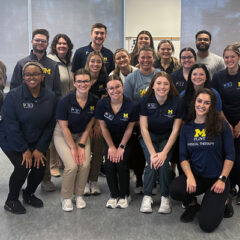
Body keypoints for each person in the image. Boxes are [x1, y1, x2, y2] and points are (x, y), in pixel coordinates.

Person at [170, 88, 234, 233]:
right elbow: (183, 157)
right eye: (199, 101)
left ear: (212, 106)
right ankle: (193, 205)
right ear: (194, 103)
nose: (202, 105)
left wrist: (222, 179)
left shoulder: (221, 125)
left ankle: (225, 200)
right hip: (197, 177)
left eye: (207, 103)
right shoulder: (187, 127)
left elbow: (230, 155)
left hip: (217, 179)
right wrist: (190, 177)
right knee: (175, 189)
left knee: (207, 224)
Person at [0, 61, 57, 214]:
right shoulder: (12, 96)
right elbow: (11, 126)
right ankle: (11, 200)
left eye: (35, 74)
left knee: (40, 166)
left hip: (36, 139)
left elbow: (50, 125)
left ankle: (29, 194)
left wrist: (39, 148)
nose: (31, 77)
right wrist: (24, 149)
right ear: (23, 77)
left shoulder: (50, 97)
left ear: (42, 76)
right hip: (10, 138)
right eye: (27, 74)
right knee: (23, 165)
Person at [10, 29, 61, 192]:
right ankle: (22, 180)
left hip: (46, 113)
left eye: (43, 40)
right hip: (25, 115)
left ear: (47, 43)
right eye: (37, 40)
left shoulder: (53, 65)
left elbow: (57, 91)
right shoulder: (21, 63)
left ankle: (45, 179)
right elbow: (14, 90)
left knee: (43, 145)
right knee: (25, 151)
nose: (40, 43)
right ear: (32, 41)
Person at [53, 68, 97, 212]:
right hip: (63, 134)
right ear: (75, 83)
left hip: (82, 134)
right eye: (79, 81)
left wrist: (82, 144)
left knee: (84, 164)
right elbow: (63, 127)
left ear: (90, 82)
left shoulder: (94, 100)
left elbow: (90, 123)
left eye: (86, 81)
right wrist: (73, 147)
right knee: (72, 165)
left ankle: (78, 195)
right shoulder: (65, 101)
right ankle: (66, 198)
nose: (83, 84)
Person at [139, 71, 182, 214]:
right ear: (152, 86)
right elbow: (143, 128)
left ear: (170, 86)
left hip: (167, 137)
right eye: (158, 83)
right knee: (152, 163)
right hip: (149, 136)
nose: (162, 86)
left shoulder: (177, 101)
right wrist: (153, 153)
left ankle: (165, 196)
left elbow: (176, 129)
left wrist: (164, 153)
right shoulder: (145, 99)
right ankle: (147, 196)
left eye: (165, 83)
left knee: (163, 165)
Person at [95, 75, 138, 208]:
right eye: (111, 88)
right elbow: (103, 128)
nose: (115, 91)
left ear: (123, 87)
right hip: (110, 139)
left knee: (121, 162)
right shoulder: (102, 104)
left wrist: (121, 146)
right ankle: (114, 195)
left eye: (117, 87)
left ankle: (125, 195)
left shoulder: (132, 105)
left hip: (127, 138)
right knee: (108, 164)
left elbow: (130, 129)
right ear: (107, 91)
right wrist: (111, 147)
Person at [124, 47, 160, 194]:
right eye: (142, 57)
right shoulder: (131, 78)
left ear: (154, 58)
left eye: (149, 57)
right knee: (138, 153)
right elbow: (128, 103)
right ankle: (139, 179)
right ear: (138, 59)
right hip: (138, 123)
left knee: (158, 152)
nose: (146, 60)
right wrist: (138, 122)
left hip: (158, 122)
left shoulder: (160, 75)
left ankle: (157, 179)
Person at [212, 43, 240, 204]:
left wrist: (239, 125)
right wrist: (227, 123)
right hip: (223, 120)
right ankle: (229, 188)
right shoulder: (218, 77)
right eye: (226, 57)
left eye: (233, 56)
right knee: (227, 155)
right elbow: (216, 100)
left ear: (238, 57)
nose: (229, 60)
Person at [48, 33, 74, 177]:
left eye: (65, 43)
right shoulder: (51, 62)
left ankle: (64, 161)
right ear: (55, 46)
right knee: (54, 135)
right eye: (59, 43)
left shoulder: (71, 63)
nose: (62, 46)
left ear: (69, 46)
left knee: (66, 133)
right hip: (56, 104)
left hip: (70, 105)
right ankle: (53, 164)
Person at [84, 51, 108, 195]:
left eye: (98, 62)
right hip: (84, 122)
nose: (95, 64)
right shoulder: (82, 77)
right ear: (88, 62)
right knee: (86, 154)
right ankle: (84, 181)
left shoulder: (105, 79)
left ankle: (94, 181)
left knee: (98, 152)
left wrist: (98, 124)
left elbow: (106, 103)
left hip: (100, 121)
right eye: (92, 61)